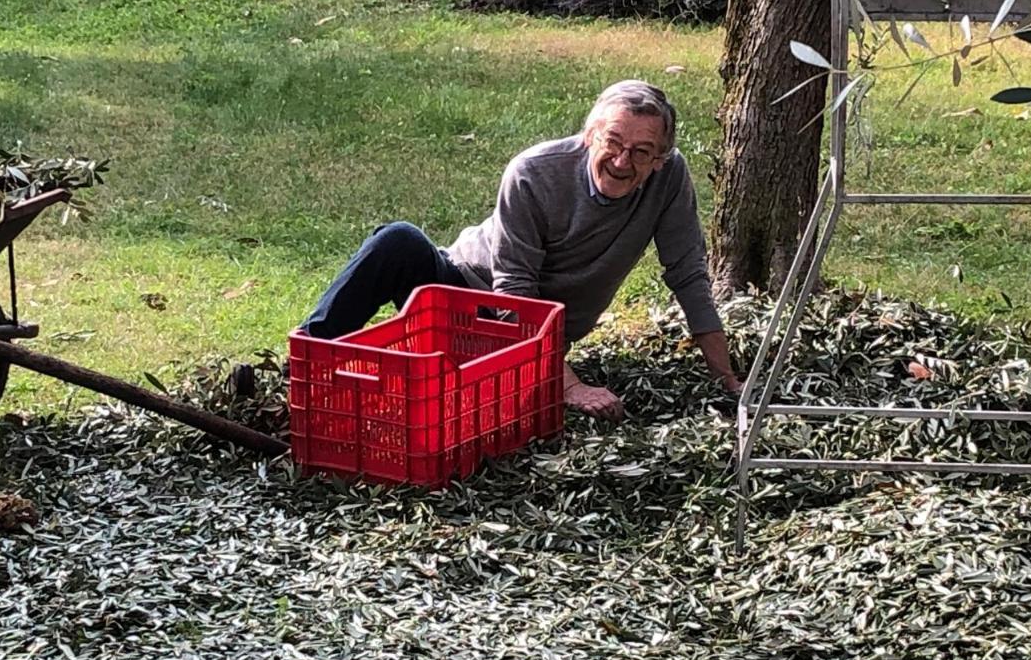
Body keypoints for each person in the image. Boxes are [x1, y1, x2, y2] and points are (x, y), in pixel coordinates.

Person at [289, 79, 740, 421]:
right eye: (613, 143)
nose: (623, 163)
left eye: (642, 152)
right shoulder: (532, 172)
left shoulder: (668, 177)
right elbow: (514, 292)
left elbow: (687, 273)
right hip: (471, 294)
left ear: (661, 158)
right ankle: (304, 363)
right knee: (398, 240)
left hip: (536, 337)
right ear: (589, 135)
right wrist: (568, 385)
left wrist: (726, 380)